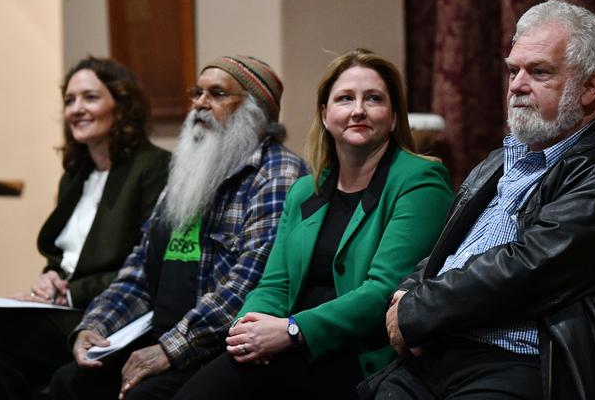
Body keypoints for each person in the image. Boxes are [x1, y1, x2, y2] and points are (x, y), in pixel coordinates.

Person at [360, 0, 595, 400]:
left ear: (590, 88)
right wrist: (407, 291)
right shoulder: (499, 160)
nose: (517, 84)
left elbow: (527, 266)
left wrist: (417, 311)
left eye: (539, 72)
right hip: (437, 352)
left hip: (518, 363)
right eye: (513, 70)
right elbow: (447, 248)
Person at [172, 48, 454, 400]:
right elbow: (274, 283)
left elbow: (381, 293)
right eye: (345, 98)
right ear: (324, 114)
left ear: (394, 117)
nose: (358, 110)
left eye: (374, 99)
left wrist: (291, 330)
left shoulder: (420, 180)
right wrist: (246, 331)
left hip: (363, 356)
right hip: (289, 345)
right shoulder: (306, 189)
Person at [48, 55, 307, 400]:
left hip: (215, 348)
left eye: (217, 94)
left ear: (255, 111)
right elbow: (139, 268)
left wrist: (169, 349)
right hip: (158, 332)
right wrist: (95, 325)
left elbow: (248, 285)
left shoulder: (276, 174)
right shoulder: (190, 168)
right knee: (70, 382)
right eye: (196, 93)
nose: (199, 104)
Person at [0, 56, 170, 399]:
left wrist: (69, 291)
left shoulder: (154, 167)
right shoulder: (76, 173)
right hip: (56, 310)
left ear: (122, 105)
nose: (76, 109)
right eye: (69, 100)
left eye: (90, 97)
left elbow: (146, 264)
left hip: (104, 313)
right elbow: (64, 255)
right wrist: (49, 278)